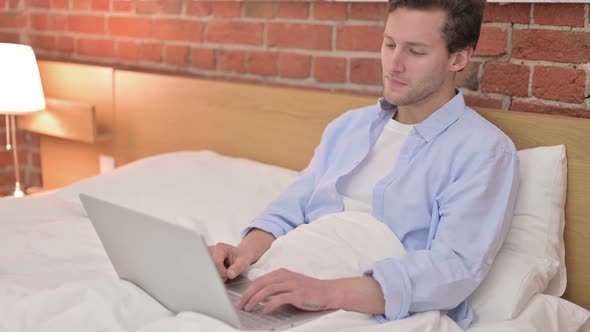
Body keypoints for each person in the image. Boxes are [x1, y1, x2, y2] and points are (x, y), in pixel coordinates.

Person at [209, 0, 519, 329]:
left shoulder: (483, 151)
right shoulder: (348, 127)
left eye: (415, 51)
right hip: (282, 278)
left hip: (362, 304)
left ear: (458, 57)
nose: (394, 64)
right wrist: (244, 253)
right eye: (389, 44)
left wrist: (323, 292)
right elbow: (292, 205)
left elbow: (453, 268)